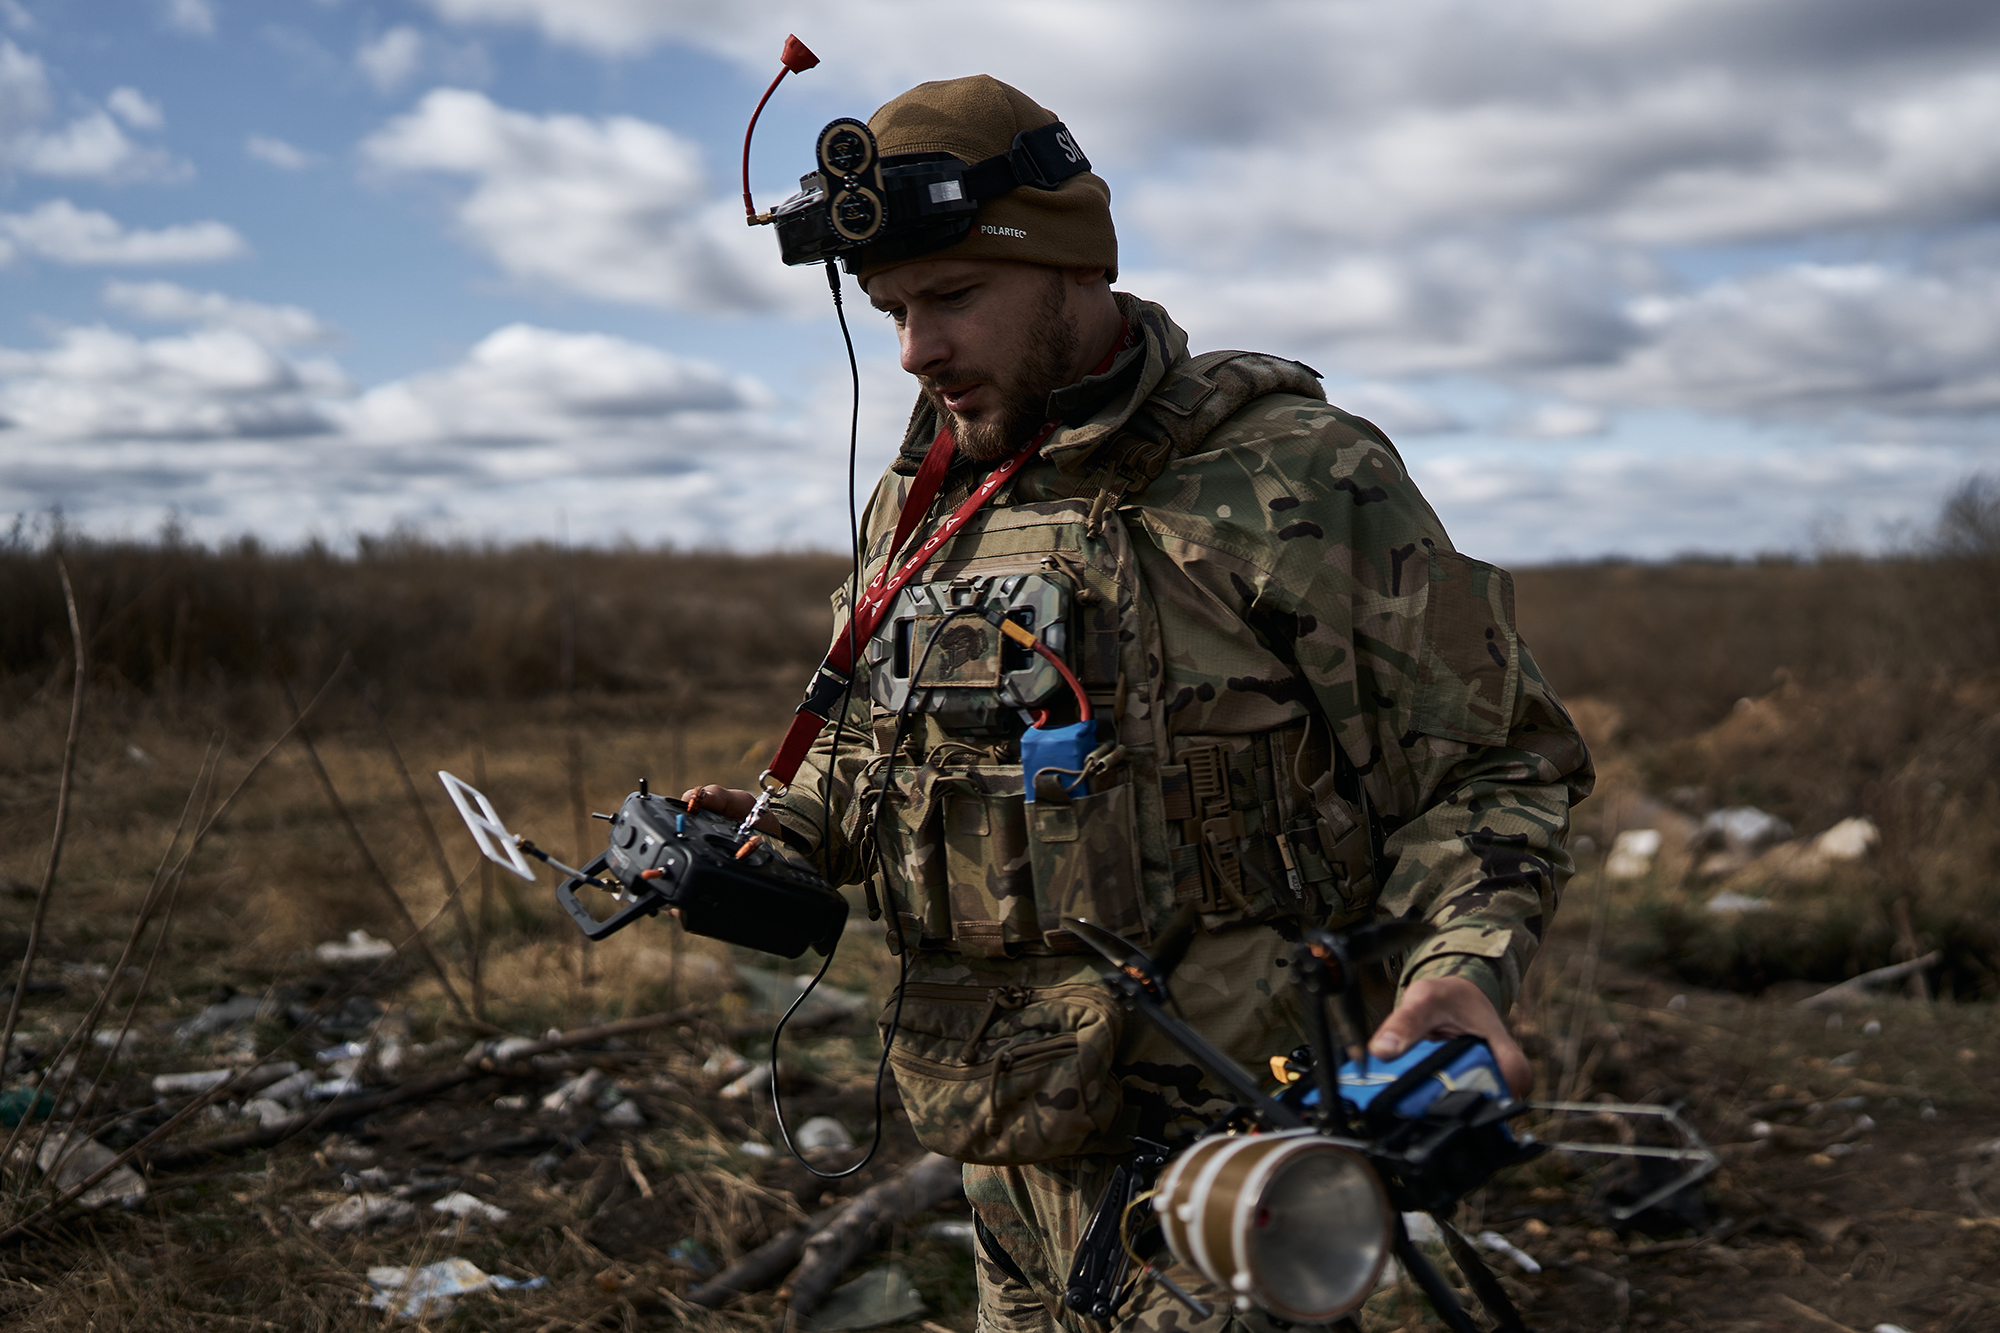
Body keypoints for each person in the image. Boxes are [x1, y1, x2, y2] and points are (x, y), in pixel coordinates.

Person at [686, 74, 1592, 1333]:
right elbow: (872, 733)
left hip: (1250, 1168)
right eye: (890, 309)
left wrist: (1461, 969)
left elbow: (1499, 767)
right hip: (1006, 1151)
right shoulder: (932, 496)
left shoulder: (1289, 475)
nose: (914, 349)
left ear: (1073, 267)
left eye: (950, 298)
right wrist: (783, 833)